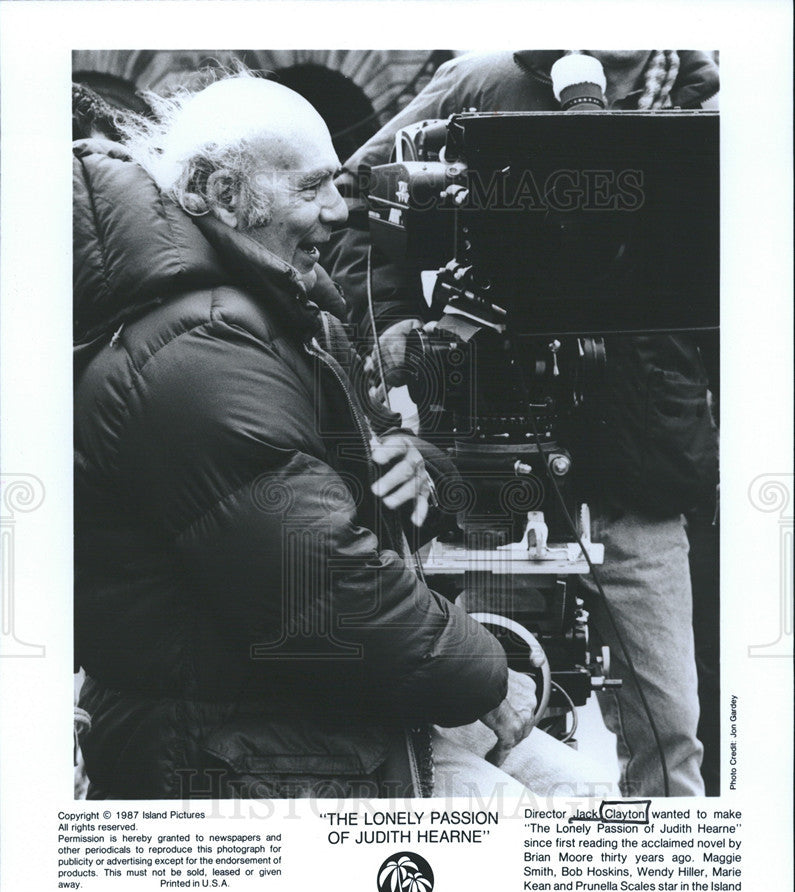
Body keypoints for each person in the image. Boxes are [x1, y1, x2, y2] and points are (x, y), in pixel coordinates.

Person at [73, 75, 611, 800]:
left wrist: (420, 471)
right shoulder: (198, 350)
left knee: (580, 797)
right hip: (232, 745)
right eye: (312, 188)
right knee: (553, 819)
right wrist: (484, 674)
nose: (338, 211)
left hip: (303, 707)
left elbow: (362, 496)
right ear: (219, 192)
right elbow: (322, 588)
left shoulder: (276, 310)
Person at [325, 50, 720, 796]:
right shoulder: (482, 81)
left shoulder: (705, 105)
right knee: (457, 713)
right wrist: (400, 318)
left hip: (642, 459)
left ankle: (668, 891)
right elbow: (353, 198)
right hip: (480, 458)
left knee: (671, 726)